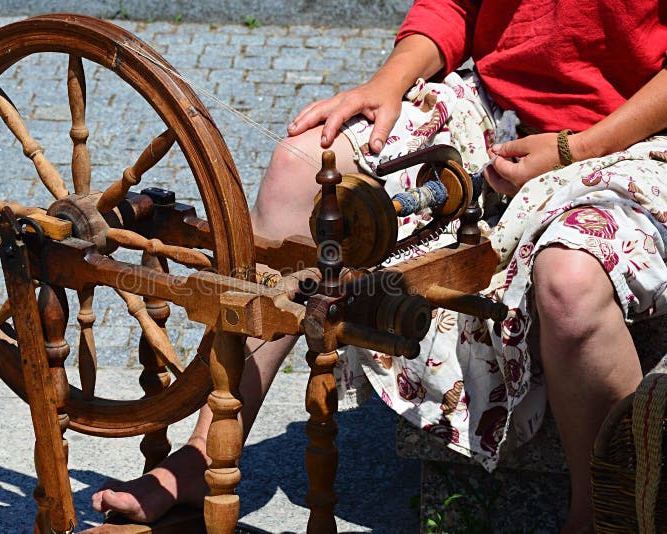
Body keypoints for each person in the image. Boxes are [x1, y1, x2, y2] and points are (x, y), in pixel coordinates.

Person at [92, 1, 667, 531]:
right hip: (495, 110)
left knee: (569, 281)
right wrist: (387, 84)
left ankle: (604, 518)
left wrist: (576, 149)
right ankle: (206, 453)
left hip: (633, 136)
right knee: (301, 167)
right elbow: (455, 7)